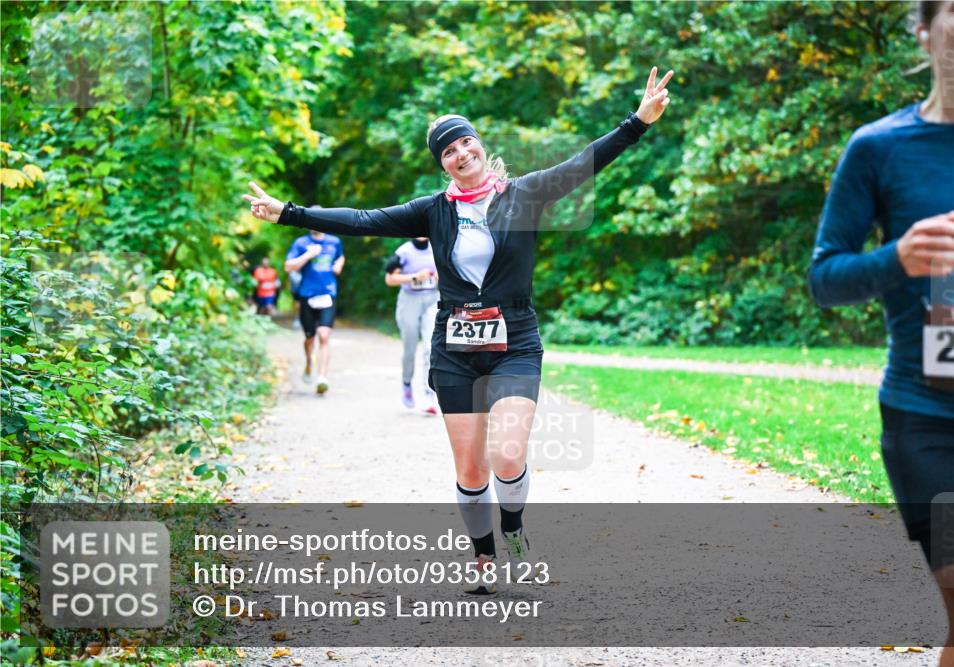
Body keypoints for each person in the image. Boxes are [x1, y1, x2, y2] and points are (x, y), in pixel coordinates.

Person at [244, 65, 672, 593]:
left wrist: (638, 122)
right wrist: (288, 212)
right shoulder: (431, 212)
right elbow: (362, 219)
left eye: (465, 142)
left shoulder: (525, 195)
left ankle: (513, 531)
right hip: (455, 347)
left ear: (479, 144)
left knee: (508, 454)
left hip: (515, 338)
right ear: (442, 164)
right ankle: (484, 558)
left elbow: (583, 164)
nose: (460, 153)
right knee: (470, 471)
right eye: (448, 150)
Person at [809, 2, 954, 663]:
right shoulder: (879, 148)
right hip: (930, 422)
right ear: (923, 31)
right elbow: (825, 277)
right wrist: (899, 258)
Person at [284, 229, 345, 395]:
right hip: (307, 295)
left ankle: (322, 378)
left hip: (328, 294)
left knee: (324, 335)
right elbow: (288, 266)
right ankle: (309, 361)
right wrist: (308, 255)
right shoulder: (301, 243)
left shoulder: (334, 241)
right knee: (309, 338)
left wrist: (339, 264)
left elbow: (340, 255)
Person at [385, 237, 440, 414]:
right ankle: (407, 382)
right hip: (409, 301)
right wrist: (415, 276)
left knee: (430, 347)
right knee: (409, 349)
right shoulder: (404, 251)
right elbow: (390, 279)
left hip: (432, 299)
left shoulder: (438, 246)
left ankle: (428, 395)